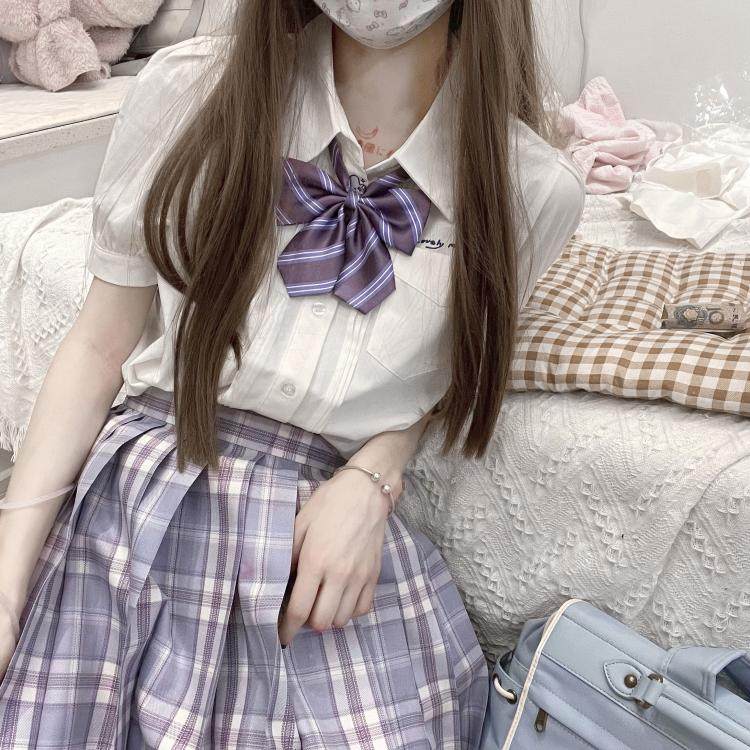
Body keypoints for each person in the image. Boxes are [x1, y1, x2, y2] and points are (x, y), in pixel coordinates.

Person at [0, 0, 584, 746]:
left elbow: (446, 381)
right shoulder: (190, 90)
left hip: (316, 550)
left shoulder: (529, 185)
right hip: (144, 505)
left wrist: (375, 474)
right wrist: (8, 583)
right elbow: (97, 345)